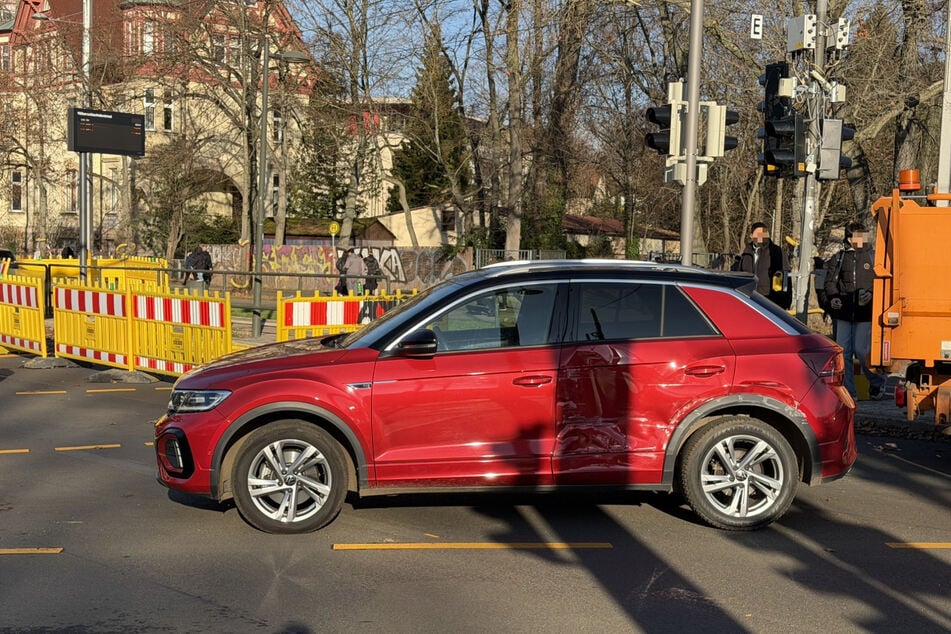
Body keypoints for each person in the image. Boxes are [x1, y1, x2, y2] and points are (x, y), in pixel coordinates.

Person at [823, 222, 885, 400]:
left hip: (865, 314)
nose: (861, 239)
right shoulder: (839, 258)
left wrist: (872, 295)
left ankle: (877, 382)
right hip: (843, 312)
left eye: (862, 235)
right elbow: (830, 283)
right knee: (843, 352)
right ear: (849, 239)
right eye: (857, 235)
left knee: (861, 350)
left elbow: (882, 283)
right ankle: (850, 391)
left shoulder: (874, 257)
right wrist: (833, 297)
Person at [738, 222, 792, 309]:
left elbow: (786, 277)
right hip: (748, 300)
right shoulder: (746, 253)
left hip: (770, 302)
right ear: (751, 236)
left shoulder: (777, 252)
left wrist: (785, 304)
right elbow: (740, 276)